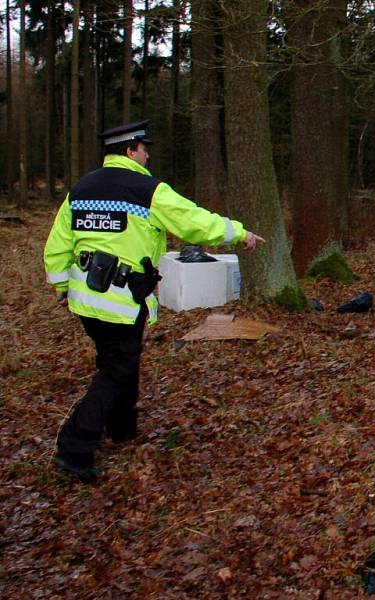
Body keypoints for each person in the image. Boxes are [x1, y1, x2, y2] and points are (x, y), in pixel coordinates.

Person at [43, 120, 265, 483]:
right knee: (116, 369)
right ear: (131, 151)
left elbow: (57, 245)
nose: (148, 155)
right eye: (144, 149)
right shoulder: (148, 190)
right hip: (121, 301)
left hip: (85, 301)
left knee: (117, 362)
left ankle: (121, 428)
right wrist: (239, 233)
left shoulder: (81, 189)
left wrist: (61, 287)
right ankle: (73, 446)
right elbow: (195, 222)